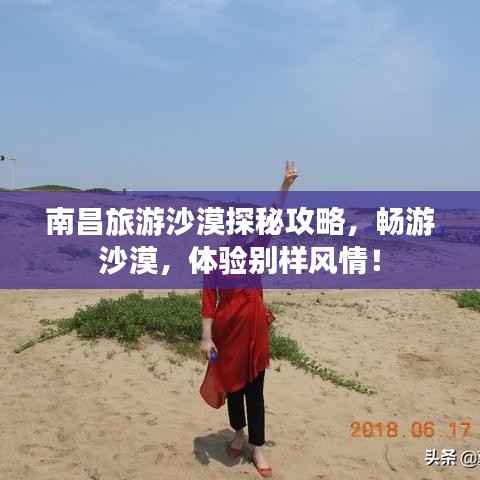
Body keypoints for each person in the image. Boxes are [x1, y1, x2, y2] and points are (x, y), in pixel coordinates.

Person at [199, 161, 299, 478]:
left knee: (255, 390)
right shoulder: (213, 260)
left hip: (254, 331)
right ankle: (238, 433)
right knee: (233, 388)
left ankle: (257, 446)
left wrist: (284, 187)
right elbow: (208, 301)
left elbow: (274, 217)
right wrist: (206, 337)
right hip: (227, 333)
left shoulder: (256, 250)